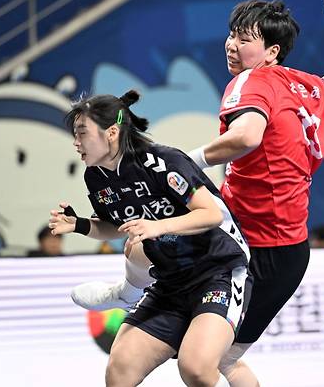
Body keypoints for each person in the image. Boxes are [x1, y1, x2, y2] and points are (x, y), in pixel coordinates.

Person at [73, 0, 324, 386]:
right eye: (232, 35)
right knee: (224, 360)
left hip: (241, 242)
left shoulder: (251, 82)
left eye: (244, 40)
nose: (231, 45)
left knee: (201, 361)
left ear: (271, 52)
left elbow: (247, 136)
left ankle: (126, 292)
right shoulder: (308, 87)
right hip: (289, 253)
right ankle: (127, 292)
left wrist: (185, 163)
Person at [48, 90, 251, 387]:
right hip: (169, 283)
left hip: (218, 272)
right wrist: (79, 225)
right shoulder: (96, 177)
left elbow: (210, 215)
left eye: (82, 133)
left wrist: (159, 227)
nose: (76, 142)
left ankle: (127, 293)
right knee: (120, 370)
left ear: (111, 132)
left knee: (196, 368)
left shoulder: (162, 161)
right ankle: (129, 294)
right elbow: (117, 225)